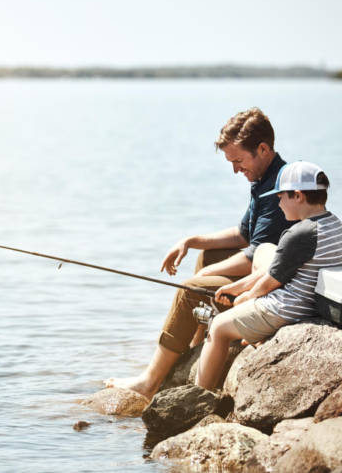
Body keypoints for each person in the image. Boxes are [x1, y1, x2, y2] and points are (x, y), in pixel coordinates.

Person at [104, 107, 296, 399]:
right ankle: (194, 347)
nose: (235, 169)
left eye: (238, 161)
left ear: (263, 148)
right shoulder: (265, 177)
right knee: (206, 257)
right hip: (265, 275)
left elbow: (255, 256)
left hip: (274, 290)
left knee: (192, 287)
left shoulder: (278, 188)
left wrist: (201, 279)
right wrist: (191, 240)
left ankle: (149, 382)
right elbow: (245, 234)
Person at [195, 161, 342, 390]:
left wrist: (243, 298)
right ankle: (255, 334)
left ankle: (198, 396)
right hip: (313, 301)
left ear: (297, 196)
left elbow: (267, 284)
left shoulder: (299, 234)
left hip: (289, 309)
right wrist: (237, 288)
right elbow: (277, 268)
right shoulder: (334, 222)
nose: (278, 203)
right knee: (264, 249)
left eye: (280, 196)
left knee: (218, 327)